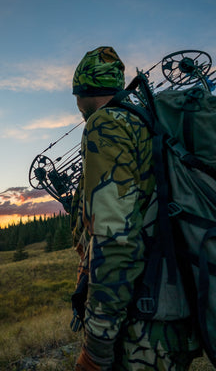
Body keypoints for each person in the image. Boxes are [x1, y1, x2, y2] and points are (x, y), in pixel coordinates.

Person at [70, 47, 200, 370]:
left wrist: (97, 346)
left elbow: (115, 241)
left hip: (143, 330)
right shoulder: (145, 122)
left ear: (82, 92)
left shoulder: (106, 126)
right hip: (170, 318)